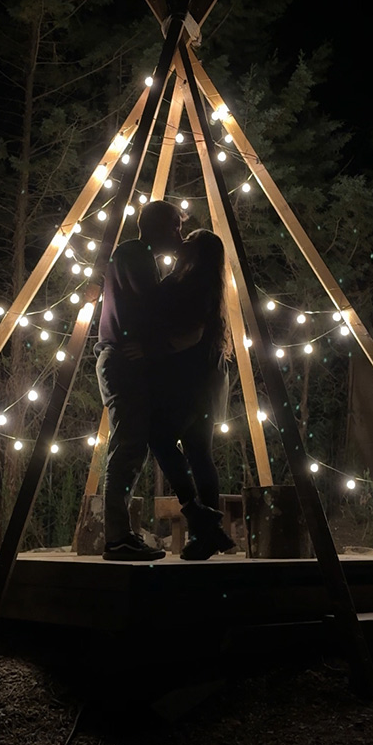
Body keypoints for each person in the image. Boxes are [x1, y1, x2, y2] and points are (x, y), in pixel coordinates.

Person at [95, 199, 183, 561]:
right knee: (128, 447)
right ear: (157, 227)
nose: (178, 233)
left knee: (130, 447)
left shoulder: (132, 255)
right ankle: (117, 537)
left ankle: (120, 534)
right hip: (122, 360)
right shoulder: (134, 256)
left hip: (120, 357)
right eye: (174, 226)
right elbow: (152, 306)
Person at [150, 229, 236, 560]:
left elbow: (187, 331)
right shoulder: (210, 288)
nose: (182, 243)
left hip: (191, 380)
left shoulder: (191, 286)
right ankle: (207, 531)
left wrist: (153, 349)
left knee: (159, 439)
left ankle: (199, 516)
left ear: (197, 253)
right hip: (207, 378)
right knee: (199, 452)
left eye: (190, 241)